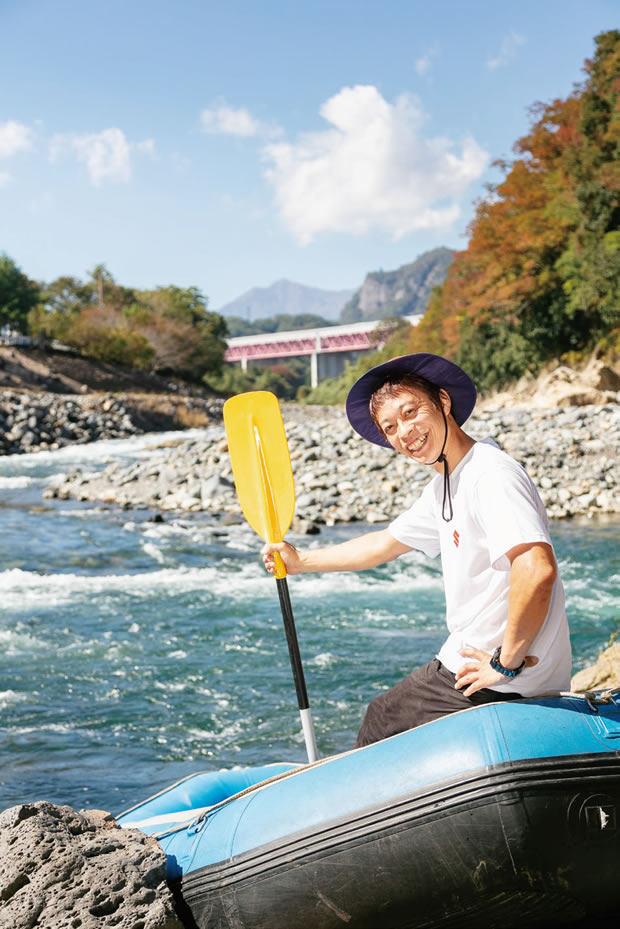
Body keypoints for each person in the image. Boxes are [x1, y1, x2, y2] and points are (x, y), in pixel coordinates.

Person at [262, 353, 572, 748]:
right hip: (483, 661)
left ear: (443, 401)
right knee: (388, 715)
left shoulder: (490, 475)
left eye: (411, 412)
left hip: (500, 674)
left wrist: (505, 663)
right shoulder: (447, 481)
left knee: (382, 720)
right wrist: (301, 561)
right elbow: (384, 544)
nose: (404, 433)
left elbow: (537, 569)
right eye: (390, 427)